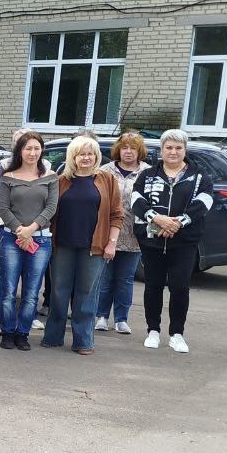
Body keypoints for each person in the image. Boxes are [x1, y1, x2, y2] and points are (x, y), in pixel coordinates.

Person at [131, 129, 215, 353]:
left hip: (184, 241)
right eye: (169, 147)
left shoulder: (200, 176)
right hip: (152, 241)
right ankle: (153, 331)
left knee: (180, 287)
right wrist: (157, 219)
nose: (173, 152)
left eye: (178, 148)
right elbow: (136, 200)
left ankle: (177, 334)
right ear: (162, 150)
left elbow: (204, 202)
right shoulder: (147, 175)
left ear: (185, 150)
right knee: (153, 286)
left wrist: (178, 223)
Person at [41, 133, 122, 354]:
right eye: (81, 154)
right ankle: (53, 336)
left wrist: (111, 243)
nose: (86, 158)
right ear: (73, 157)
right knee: (59, 292)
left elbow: (116, 215)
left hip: (94, 247)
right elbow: (48, 211)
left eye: (90, 154)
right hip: (62, 246)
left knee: (86, 294)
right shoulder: (61, 181)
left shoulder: (107, 180)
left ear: (96, 156)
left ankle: (83, 341)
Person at [0, 129, 58, 351]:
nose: (32, 153)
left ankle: (22, 333)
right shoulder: (8, 177)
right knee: (8, 290)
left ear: (42, 151)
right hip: (11, 239)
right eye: (28, 148)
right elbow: (3, 208)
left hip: (40, 242)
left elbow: (51, 207)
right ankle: (7, 332)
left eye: (36, 148)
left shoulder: (50, 176)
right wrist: (19, 231)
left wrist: (30, 230)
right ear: (20, 151)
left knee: (32, 292)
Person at [94, 132, 149, 334]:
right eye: (125, 147)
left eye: (133, 148)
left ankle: (121, 319)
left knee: (125, 279)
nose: (128, 152)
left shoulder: (147, 172)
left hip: (133, 236)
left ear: (139, 151)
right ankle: (101, 316)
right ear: (118, 149)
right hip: (107, 233)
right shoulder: (105, 171)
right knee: (105, 278)